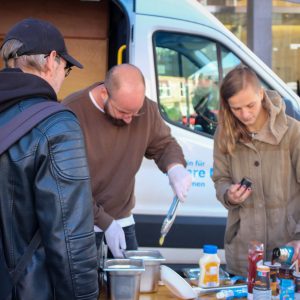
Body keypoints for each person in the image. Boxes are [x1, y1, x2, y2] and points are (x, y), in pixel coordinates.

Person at [0, 18, 98, 299]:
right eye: (66, 70)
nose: (62, 78)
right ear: (51, 61)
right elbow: (71, 240)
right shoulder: (57, 125)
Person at [63, 63, 192, 258]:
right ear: (105, 94)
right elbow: (67, 185)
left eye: (135, 112)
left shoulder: (146, 110)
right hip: (79, 227)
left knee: (128, 288)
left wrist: (175, 168)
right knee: (84, 289)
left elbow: (164, 144)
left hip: (122, 223)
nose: (130, 119)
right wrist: (105, 223)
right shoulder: (71, 112)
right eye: (123, 112)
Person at [212, 65, 300, 277]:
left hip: (287, 246)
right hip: (244, 251)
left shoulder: (293, 132)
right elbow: (220, 178)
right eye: (236, 108)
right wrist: (228, 194)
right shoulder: (224, 133)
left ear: (261, 94)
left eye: (250, 105)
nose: (245, 114)